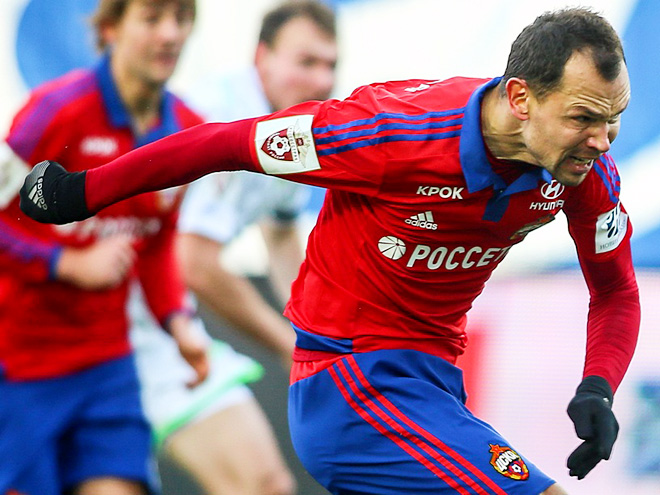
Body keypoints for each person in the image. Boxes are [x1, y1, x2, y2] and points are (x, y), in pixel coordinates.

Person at [20, 6, 641, 495]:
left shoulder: (585, 170)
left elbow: (615, 289)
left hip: (434, 383)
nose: (601, 140)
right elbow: (225, 144)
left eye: (613, 120)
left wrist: (598, 385)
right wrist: (83, 192)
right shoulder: (391, 131)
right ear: (521, 97)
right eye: (584, 118)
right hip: (352, 383)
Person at [0, 1, 209, 494]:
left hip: (108, 364)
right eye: (152, 18)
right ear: (111, 28)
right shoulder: (53, 111)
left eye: (181, 19)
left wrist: (178, 321)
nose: (170, 34)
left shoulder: (186, 128)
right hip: (20, 365)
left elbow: (154, 244)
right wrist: (64, 262)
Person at [134, 2, 337, 493]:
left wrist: (319, 329)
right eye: (306, 62)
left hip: (157, 324)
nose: (323, 80)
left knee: (266, 485)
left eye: (331, 65)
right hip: (105, 320)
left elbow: (281, 234)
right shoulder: (222, 120)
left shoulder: (292, 134)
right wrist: (294, 346)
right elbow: (195, 264)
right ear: (261, 57)